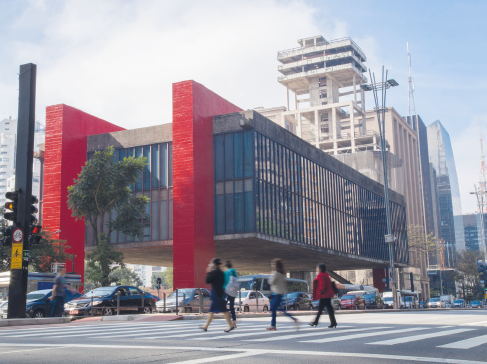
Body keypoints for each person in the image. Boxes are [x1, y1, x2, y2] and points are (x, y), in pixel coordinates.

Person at [200, 258, 234, 332]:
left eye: (211, 263)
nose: (210, 264)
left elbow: (207, 280)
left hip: (216, 294)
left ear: (214, 264)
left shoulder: (215, 272)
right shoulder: (221, 272)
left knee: (219, 310)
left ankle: (230, 325)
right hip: (219, 293)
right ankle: (206, 326)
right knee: (216, 310)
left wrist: (208, 271)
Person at [267, 258, 299, 331]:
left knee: (275, 309)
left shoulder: (276, 274)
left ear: (276, 266)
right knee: (276, 309)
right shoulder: (282, 274)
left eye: (273, 264)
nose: (272, 266)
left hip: (276, 294)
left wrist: (272, 274)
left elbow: (271, 282)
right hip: (279, 294)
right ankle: (273, 325)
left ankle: (274, 325)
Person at [310, 263, 337, 328]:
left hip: (324, 295)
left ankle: (315, 322)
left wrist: (320, 291)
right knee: (330, 310)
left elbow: (322, 285)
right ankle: (333, 323)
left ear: (320, 269)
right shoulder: (326, 274)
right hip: (328, 295)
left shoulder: (321, 275)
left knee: (320, 310)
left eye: (317, 268)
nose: (316, 269)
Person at [223, 260, 238, 328]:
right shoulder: (234, 272)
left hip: (227, 291)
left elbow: (225, 282)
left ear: (226, 266)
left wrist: (223, 289)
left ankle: (229, 322)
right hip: (234, 291)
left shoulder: (226, 272)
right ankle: (234, 321)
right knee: (231, 306)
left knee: (224, 306)